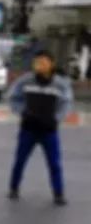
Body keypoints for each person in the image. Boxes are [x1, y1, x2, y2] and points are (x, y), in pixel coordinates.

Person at [6, 50, 71, 205]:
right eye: (36, 62)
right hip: (28, 128)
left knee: (54, 163)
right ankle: (13, 188)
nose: (39, 65)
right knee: (20, 160)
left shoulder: (60, 84)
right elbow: (13, 97)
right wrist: (22, 112)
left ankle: (58, 194)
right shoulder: (26, 81)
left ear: (51, 64)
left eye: (43, 62)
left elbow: (66, 103)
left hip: (49, 130)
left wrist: (56, 119)